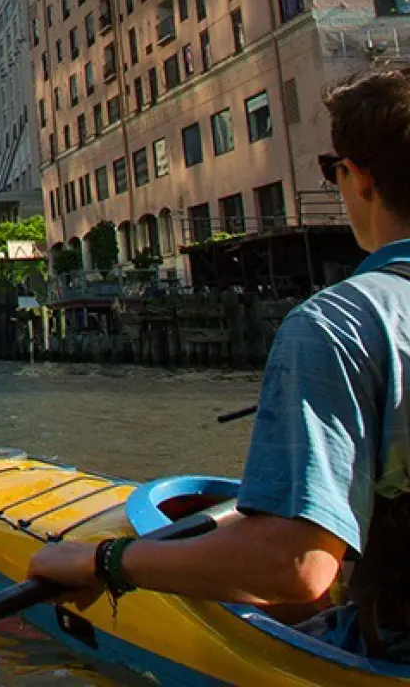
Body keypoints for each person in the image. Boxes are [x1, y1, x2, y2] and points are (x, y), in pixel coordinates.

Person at [29, 67, 410, 661]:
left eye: (332, 169)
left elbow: (294, 567)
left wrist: (102, 560)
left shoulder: (336, 325)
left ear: (358, 178)